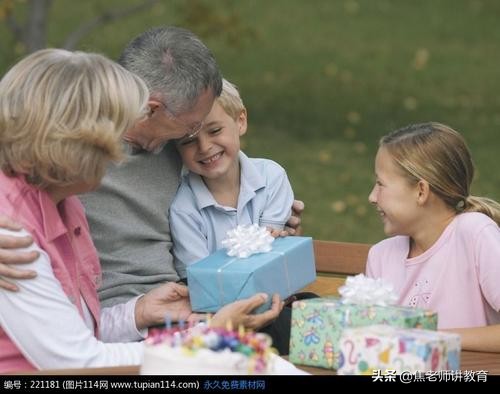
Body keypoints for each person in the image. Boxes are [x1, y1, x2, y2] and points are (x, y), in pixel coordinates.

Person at [0, 27, 302, 351]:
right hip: (115, 325)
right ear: (154, 108)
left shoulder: (175, 146)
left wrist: (268, 217)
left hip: (175, 305)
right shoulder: (71, 154)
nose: (195, 139)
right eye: (191, 127)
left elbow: (226, 176)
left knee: (295, 322)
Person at [366, 122, 500, 351]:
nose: (372, 197)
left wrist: (429, 338)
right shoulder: (380, 256)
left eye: (381, 184)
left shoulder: (475, 234)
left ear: (421, 191)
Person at [170, 78, 293, 272]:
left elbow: (271, 253)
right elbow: (200, 277)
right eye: (188, 141)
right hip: (218, 299)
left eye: (215, 130)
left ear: (240, 122)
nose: (205, 147)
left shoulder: (272, 178)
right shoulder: (184, 209)